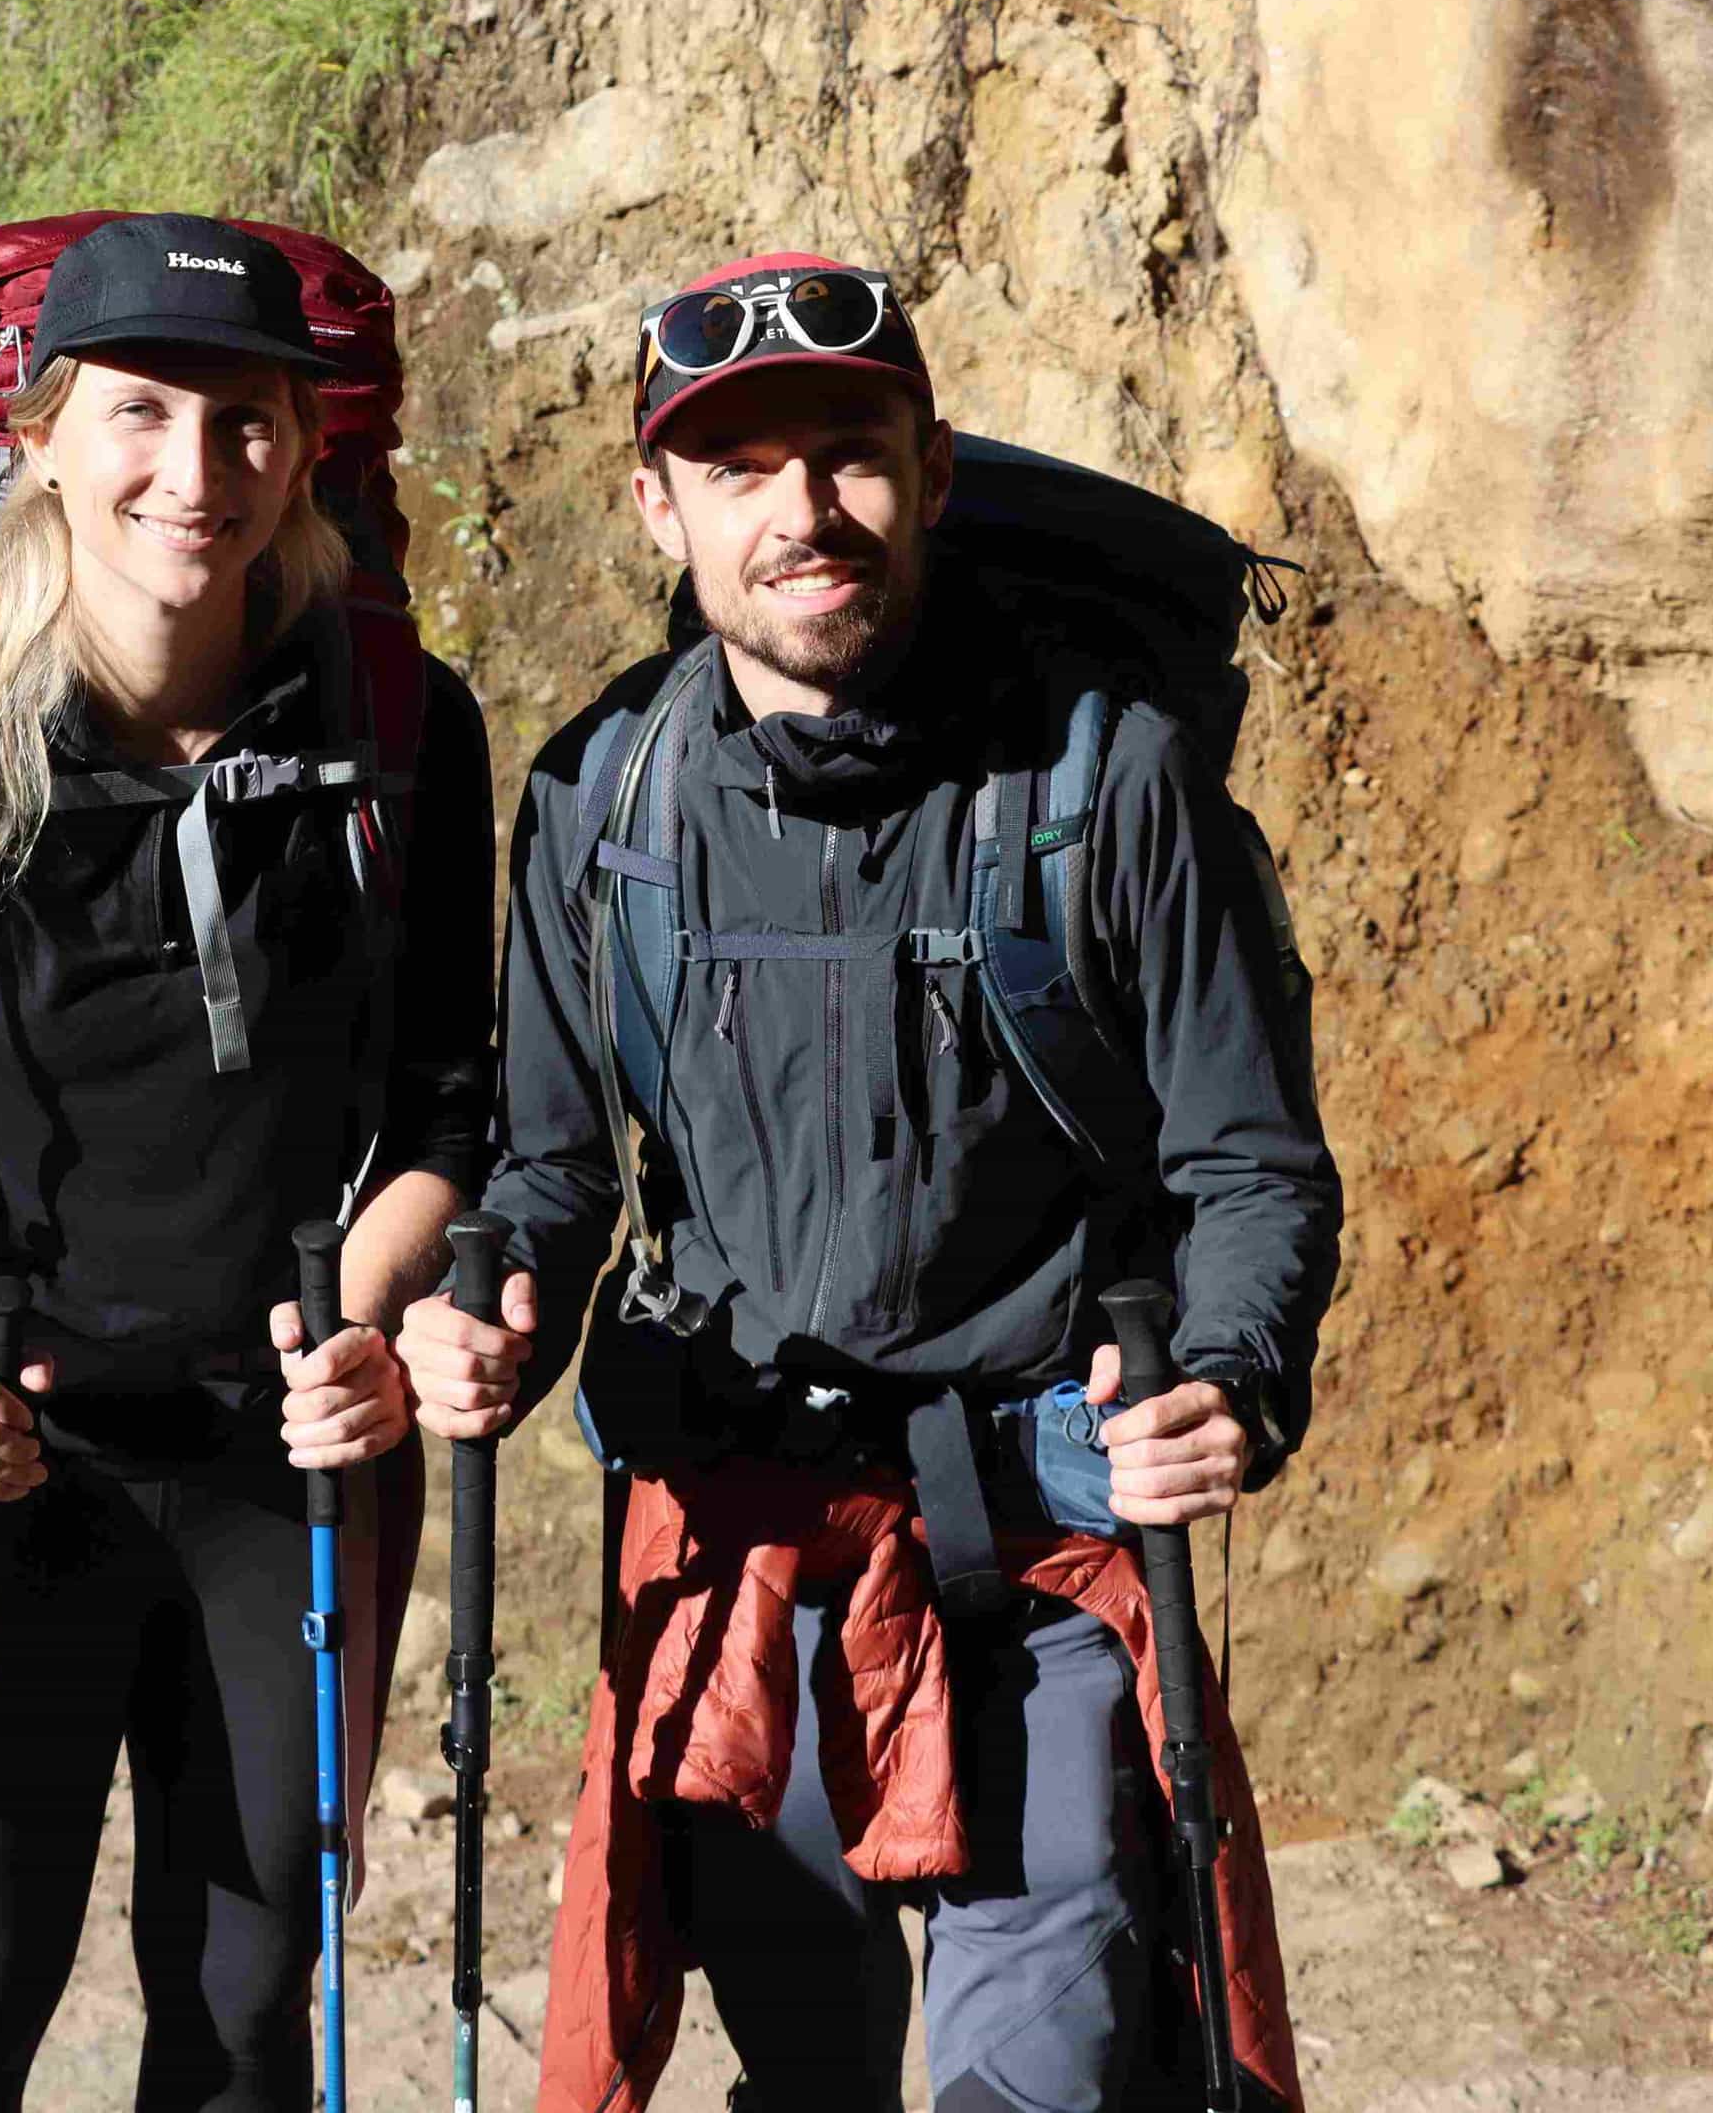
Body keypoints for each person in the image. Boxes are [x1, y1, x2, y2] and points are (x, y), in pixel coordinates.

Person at [393, 252, 1339, 2111]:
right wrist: (488, 1303)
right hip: (750, 1557)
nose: (803, 514)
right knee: (803, 2063)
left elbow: (1252, 1167)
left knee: (1049, 2076)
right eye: (738, 471)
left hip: (1052, 1545)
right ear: (660, 508)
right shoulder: (604, 800)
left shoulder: (1110, 779)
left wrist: (1226, 1372)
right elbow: (553, 1166)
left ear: (936, 465)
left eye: (849, 453)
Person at [0, 213, 494, 2113]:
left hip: (284, 1455)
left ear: (306, 446)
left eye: (248, 422)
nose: (196, 472)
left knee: (248, 2006)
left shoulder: (399, 725)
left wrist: (377, 1318)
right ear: (52, 433)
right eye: (146, 416)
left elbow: (441, 1109)